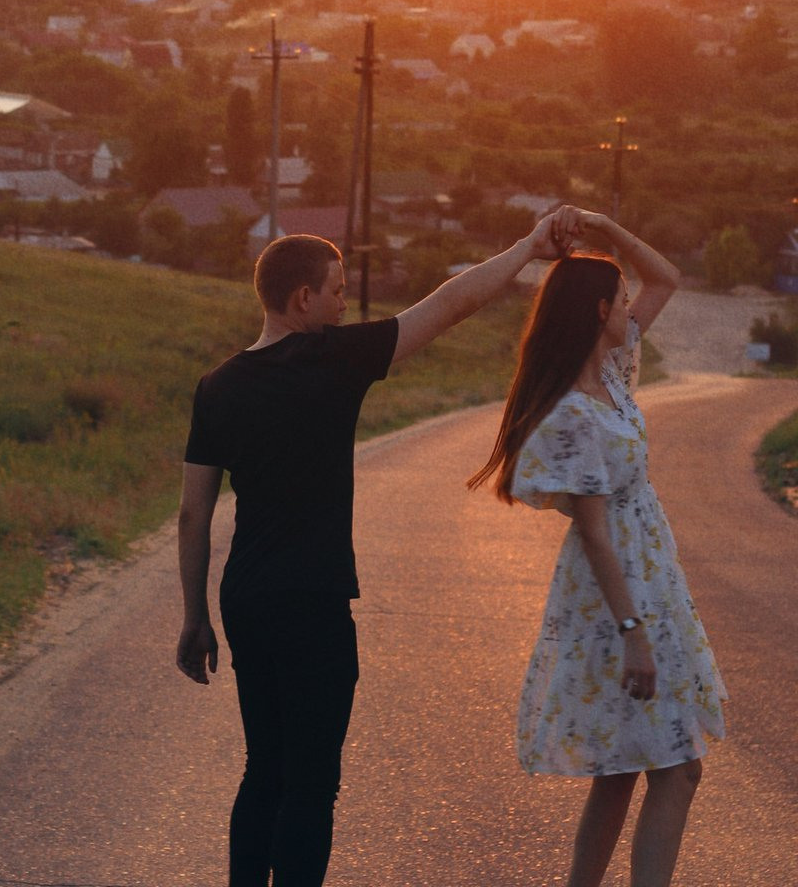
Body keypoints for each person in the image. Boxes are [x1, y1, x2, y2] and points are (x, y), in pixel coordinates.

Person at [176, 210, 575, 887]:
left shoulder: (216, 386)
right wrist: (529, 248)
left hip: (246, 597)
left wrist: (194, 619)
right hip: (312, 600)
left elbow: (192, 514)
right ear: (303, 299)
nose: (342, 302)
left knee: (262, 768)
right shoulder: (336, 357)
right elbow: (453, 303)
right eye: (335, 290)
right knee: (310, 783)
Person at [469, 210, 726, 887]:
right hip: (619, 598)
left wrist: (606, 228)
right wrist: (635, 632)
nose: (632, 311)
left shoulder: (612, 376)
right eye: (620, 300)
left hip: (646, 579)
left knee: (619, 773)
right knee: (678, 767)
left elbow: (664, 277)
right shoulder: (575, 413)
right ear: (604, 311)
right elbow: (592, 531)